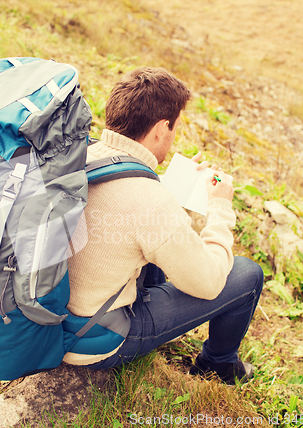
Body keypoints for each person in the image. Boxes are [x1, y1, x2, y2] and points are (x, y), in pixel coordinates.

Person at [63, 67, 264, 384]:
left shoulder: (82, 154)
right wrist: (221, 207)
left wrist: (171, 188)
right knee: (247, 274)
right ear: (160, 129)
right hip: (94, 340)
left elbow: (122, 210)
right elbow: (210, 283)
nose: (173, 136)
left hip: (52, 318)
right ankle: (218, 364)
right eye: (174, 128)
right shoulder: (151, 202)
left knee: (150, 248)